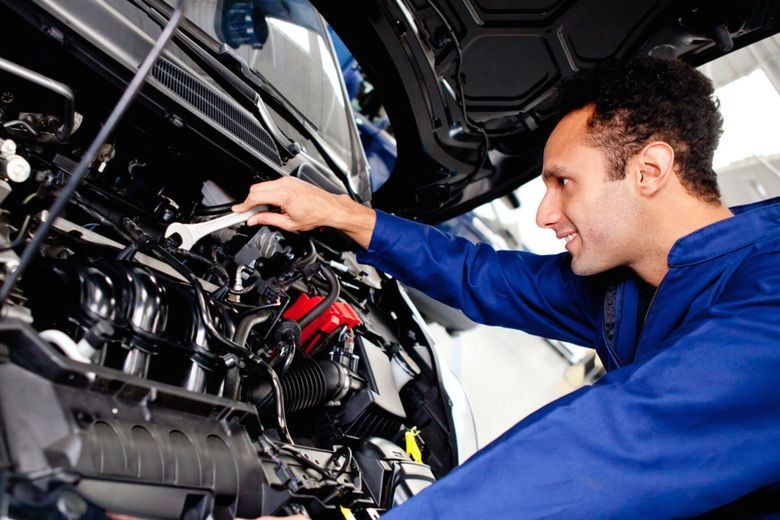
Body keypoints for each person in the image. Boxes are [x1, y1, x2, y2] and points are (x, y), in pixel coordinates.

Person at [232, 57, 780, 517]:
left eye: (564, 182)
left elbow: (620, 444)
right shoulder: (635, 284)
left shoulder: (769, 295)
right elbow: (483, 276)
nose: (544, 214)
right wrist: (343, 214)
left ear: (649, 170)